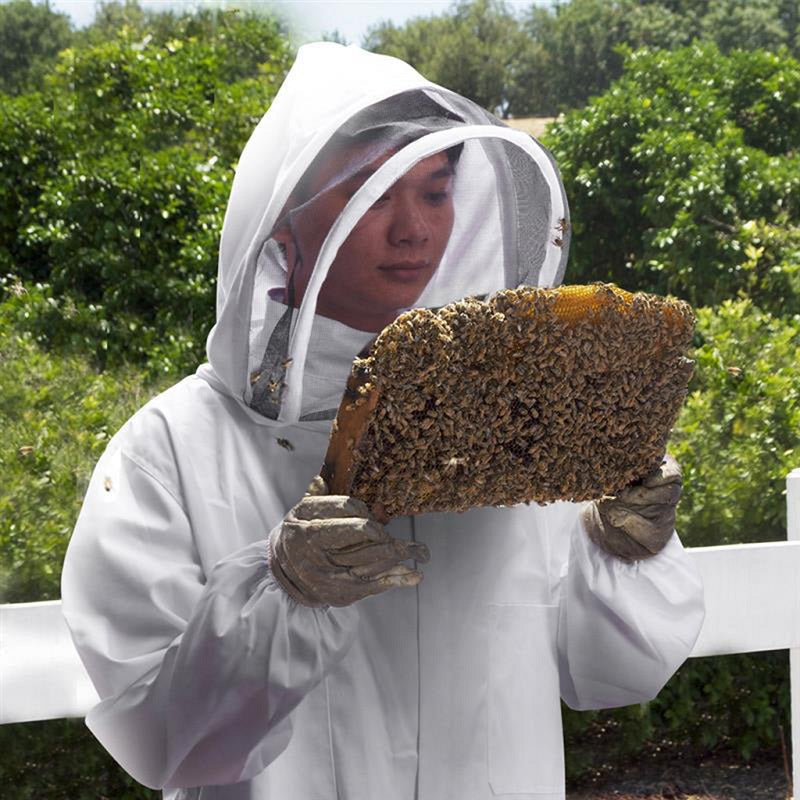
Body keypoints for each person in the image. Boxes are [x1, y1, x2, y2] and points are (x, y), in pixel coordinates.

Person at [61, 42, 705, 800]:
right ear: (283, 222)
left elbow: (613, 673)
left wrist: (623, 548)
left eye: (436, 192)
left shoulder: (514, 422)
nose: (413, 230)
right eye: (370, 194)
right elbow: (158, 739)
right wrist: (278, 597)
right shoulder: (170, 449)